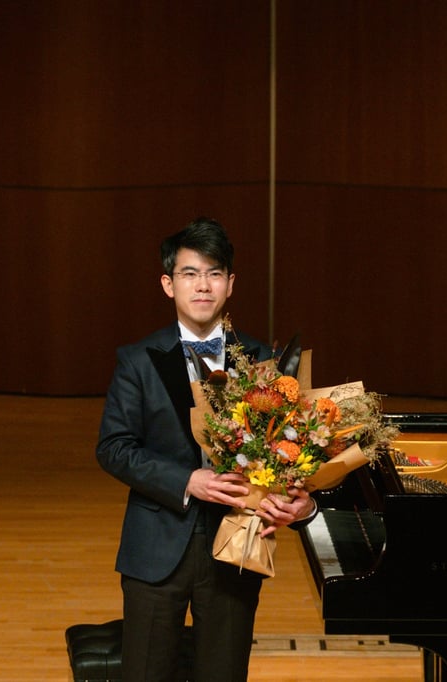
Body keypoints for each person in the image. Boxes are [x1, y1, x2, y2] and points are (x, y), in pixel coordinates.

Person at [96, 217, 318, 682]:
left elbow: (295, 449)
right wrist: (188, 480)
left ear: (231, 284)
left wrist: (300, 497)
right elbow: (114, 448)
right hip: (157, 545)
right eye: (190, 273)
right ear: (168, 283)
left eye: (214, 273)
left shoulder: (265, 362)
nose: (202, 285)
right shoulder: (137, 360)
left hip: (236, 546)